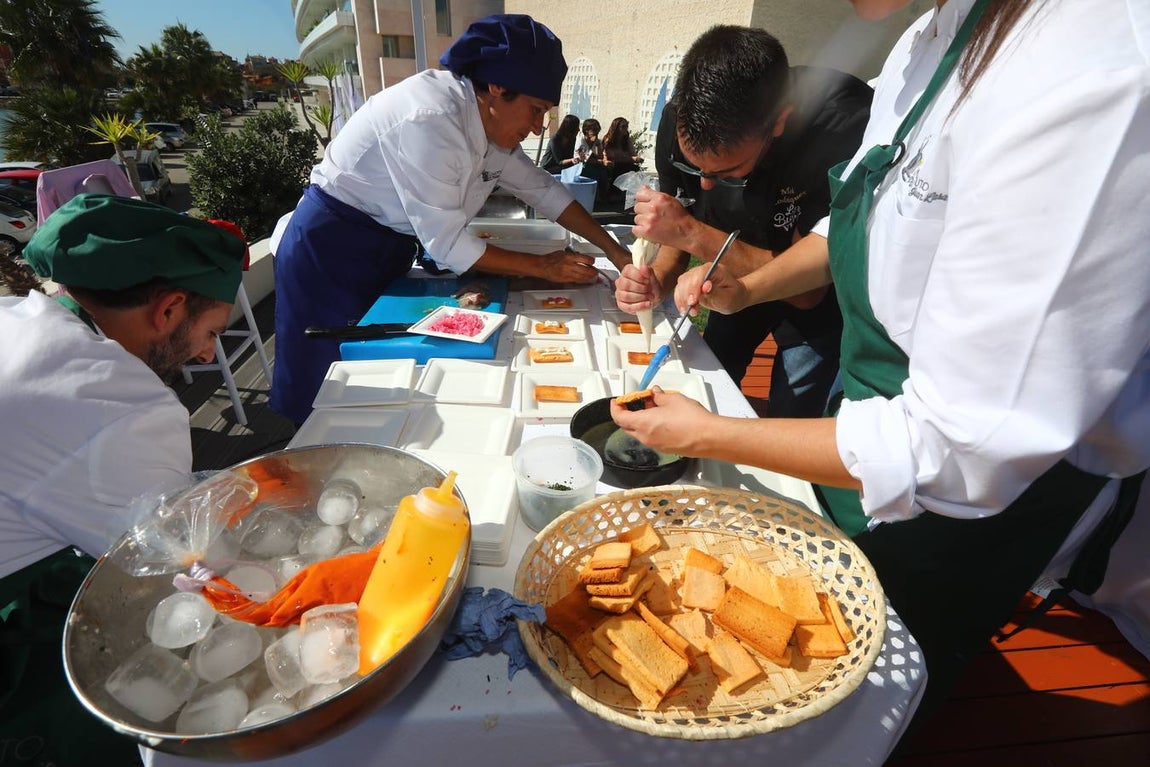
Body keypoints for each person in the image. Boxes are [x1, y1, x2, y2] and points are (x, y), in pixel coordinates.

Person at [613, 0, 1150, 736]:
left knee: (866, 699)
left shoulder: (1093, 68)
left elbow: (962, 445)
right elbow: (857, 223)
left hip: (975, 496)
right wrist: (745, 285)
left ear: (779, 124)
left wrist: (713, 433)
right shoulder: (919, 43)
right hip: (871, 417)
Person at [269, 14, 631, 425]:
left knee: (381, 376)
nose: (535, 129)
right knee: (326, 390)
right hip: (329, 251)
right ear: (497, 87)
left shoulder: (486, 121)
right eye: (534, 110)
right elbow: (447, 244)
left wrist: (615, 251)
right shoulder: (430, 117)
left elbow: (542, 189)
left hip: (384, 246)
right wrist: (544, 267)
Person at [0, 193, 246, 764]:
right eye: (211, 331)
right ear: (168, 309)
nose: (209, 355)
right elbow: (173, 558)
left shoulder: (16, 317)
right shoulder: (123, 405)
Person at [614, 25, 872, 416]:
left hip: (816, 303)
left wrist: (690, 231)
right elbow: (678, 235)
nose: (704, 183)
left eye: (726, 172)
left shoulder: (841, 126)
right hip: (728, 282)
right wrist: (658, 282)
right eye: (692, 165)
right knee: (711, 386)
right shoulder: (681, 120)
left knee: (791, 416)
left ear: (779, 122)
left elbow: (808, 289)